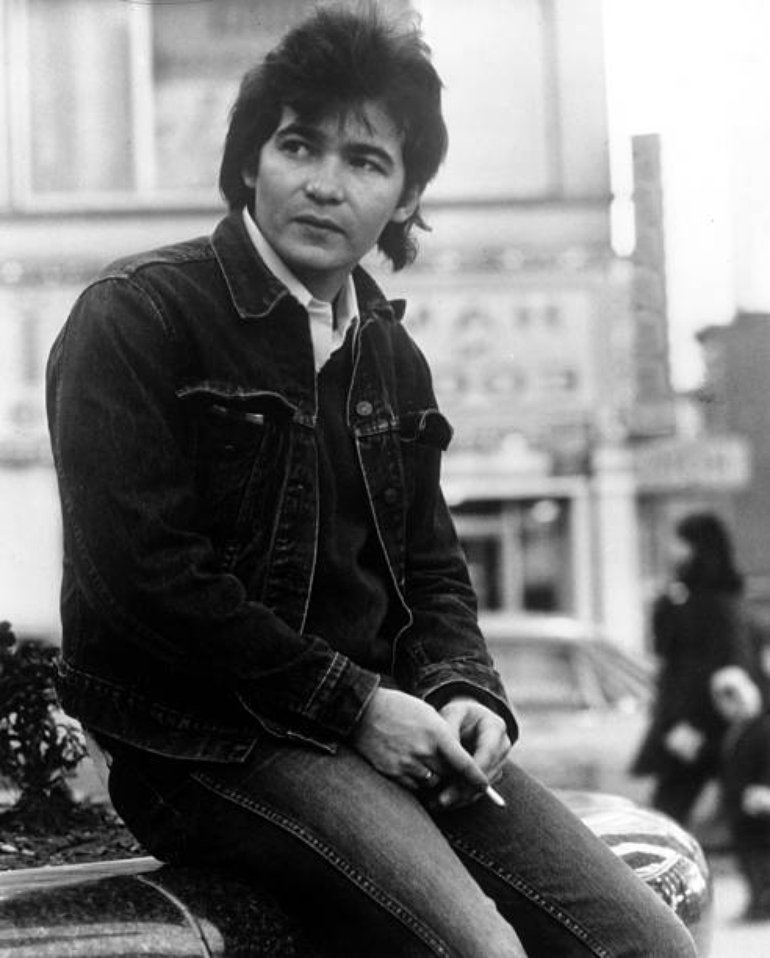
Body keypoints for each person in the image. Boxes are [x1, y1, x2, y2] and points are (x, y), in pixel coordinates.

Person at [46, 5, 696, 955]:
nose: (324, 183)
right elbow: (144, 583)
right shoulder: (137, 315)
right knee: (478, 950)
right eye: (298, 146)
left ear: (403, 195)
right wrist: (356, 707)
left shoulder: (390, 354)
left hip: (382, 724)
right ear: (250, 162)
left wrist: (466, 691)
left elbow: (431, 571)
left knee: (649, 943)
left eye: (365, 160)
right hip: (205, 745)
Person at [631, 511, 762, 825]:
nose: (670, 549)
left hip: (698, 726)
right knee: (722, 812)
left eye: (678, 541)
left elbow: (702, 668)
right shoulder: (723, 598)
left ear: (695, 546)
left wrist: (687, 724)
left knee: (667, 811)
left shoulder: (703, 603)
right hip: (718, 725)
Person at [710, 666, 770, 921]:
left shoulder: (762, 728)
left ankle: (763, 902)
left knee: (760, 856)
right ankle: (758, 901)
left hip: (756, 808)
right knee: (748, 857)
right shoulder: (736, 730)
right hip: (740, 809)